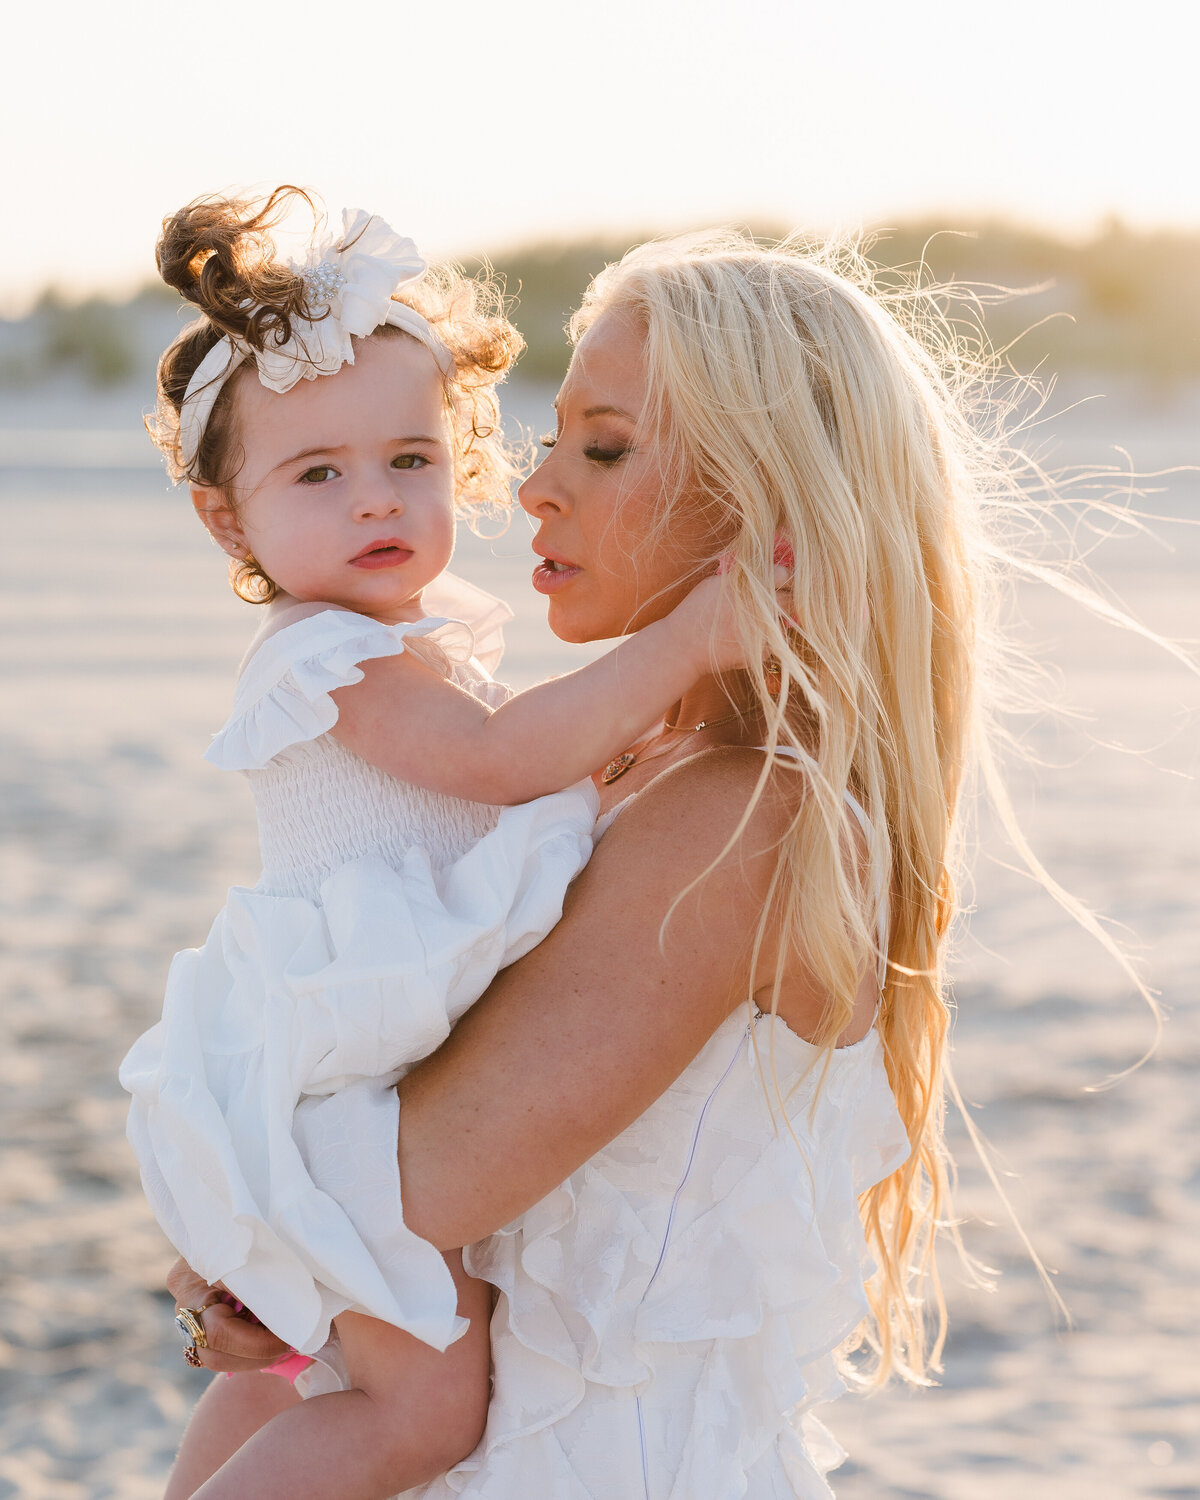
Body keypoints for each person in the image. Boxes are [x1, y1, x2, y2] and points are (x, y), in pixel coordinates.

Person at [160, 228, 1042, 1498]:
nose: (530, 489)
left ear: (761, 502)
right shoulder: (625, 775)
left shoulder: (747, 823)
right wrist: (243, 1285)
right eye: (552, 435)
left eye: (606, 447)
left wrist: (253, 1228)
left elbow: (411, 1189)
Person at [120, 192, 774, 1500]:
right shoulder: (329, 656)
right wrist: (692, 642)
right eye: (318, 475)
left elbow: (513, 782)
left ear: (459, 455)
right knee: (419, 1411)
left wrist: (612, 754)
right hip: (342, 1064)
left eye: (410, 459)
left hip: (357, 1053)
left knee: (299, 1373)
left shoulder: (416, 655)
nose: (376, 500)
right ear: (227, 522)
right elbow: (495, 763)